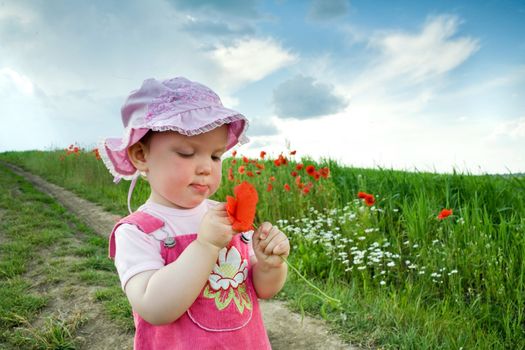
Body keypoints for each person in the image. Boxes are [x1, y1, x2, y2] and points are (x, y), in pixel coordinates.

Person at [99, 77, 290, 349]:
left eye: (215, 156)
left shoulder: (225, 215)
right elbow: (155, 308)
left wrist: (271, 265)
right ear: (141, 155)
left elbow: (262, 290)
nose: (206, 168)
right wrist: (206, 246)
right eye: (187, 153)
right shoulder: (138, 232)